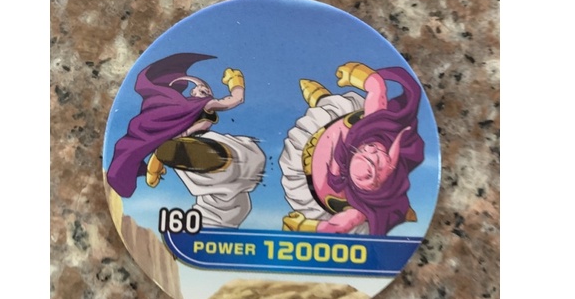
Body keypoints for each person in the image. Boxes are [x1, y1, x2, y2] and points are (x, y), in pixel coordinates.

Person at [107, 52, 265, 228]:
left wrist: (236, 83)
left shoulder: (204, 104)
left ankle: (210, 158)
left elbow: (234, 100)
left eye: (206, 91)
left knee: (237, 187)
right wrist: (236, 83)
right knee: (234, 185)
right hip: (187, 141)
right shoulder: (181, 105)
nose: (204, 91)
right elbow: (236, 99)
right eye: (200, 89)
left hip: (201, 141)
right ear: (192, 91)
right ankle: (201, 159)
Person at [279, 62, 424, 236]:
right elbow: (377, 91)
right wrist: (365, 76)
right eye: (375, 152)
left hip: (308, 174)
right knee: (335, 109)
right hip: (329, 127)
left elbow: (337, 226)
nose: (372, 159)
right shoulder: (373, 127)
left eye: (377, 172)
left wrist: (304, 226)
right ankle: (322, 99)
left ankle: (321, 100)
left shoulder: (359, 208)